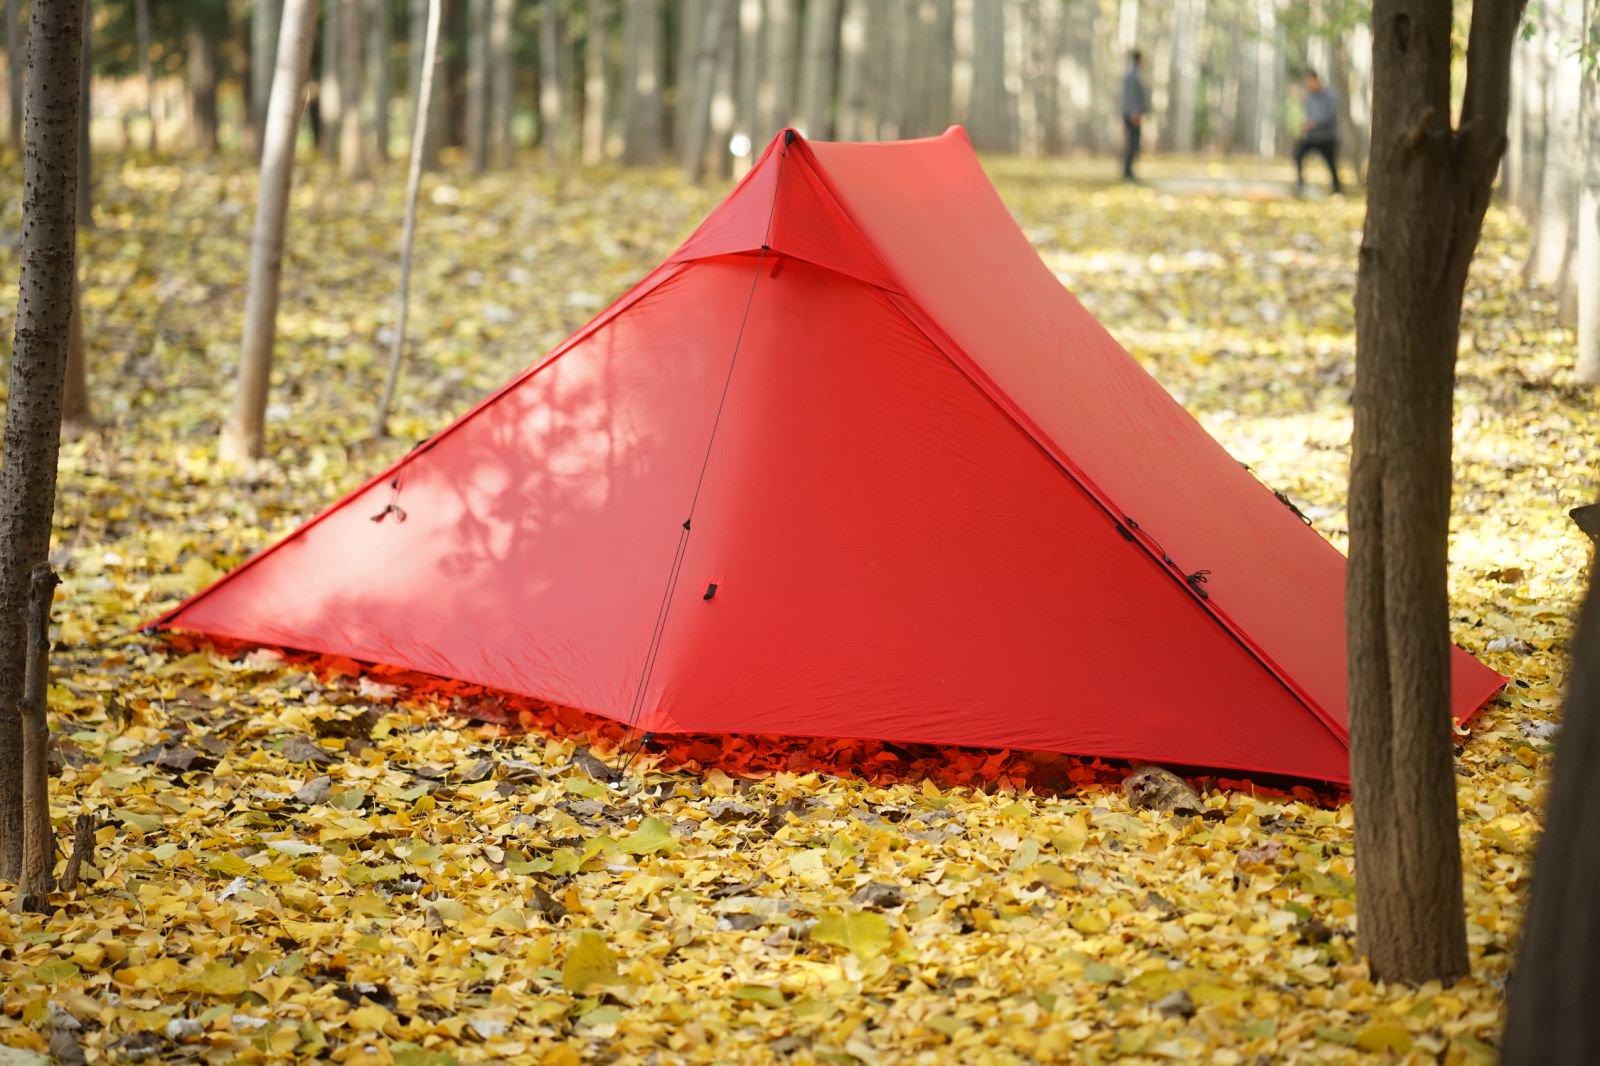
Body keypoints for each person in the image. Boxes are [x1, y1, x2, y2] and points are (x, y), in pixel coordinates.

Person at [1294, 70, 1342, 194]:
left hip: (1327, 137)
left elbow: (1330, 116)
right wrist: (1305, 125)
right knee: (1298, 154)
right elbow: (1308, 114)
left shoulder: (1330, 95)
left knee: (1331, 164)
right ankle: (1300, 185)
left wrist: (1314, 123)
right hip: (1312, 137)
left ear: (1316, 80)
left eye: (1310, 81)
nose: (1309, 85)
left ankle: (1337, 189)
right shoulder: (1309, 97)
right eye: (1307, 82)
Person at [1120, 50, 1149, 182]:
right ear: (1138, 59)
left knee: (1133, 143)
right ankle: (1128, 172)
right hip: (1132, 114)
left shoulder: (1132, 73)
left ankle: (1129, 171)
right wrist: (1135, 112)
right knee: (1132, 143)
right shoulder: (1132, 75)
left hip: (1131, 113)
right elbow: (1131, 96)